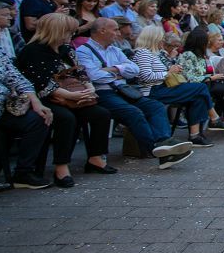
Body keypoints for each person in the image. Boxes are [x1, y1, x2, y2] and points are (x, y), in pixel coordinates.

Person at [75, 18, 193, 169]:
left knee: (154, 106)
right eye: (115, 29)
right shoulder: (83, 51)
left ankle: (165, 142)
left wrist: (114, 70)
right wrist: (120, 71)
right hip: (103, 92)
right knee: (134, 112)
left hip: (124, 91)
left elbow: (134, 70)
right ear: (102, 30)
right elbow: (93, 75)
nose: (118, 33)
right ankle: (158, 149)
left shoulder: (115, 50)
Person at [16, 14, 116, 186]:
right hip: (43, 98)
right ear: (57, 31)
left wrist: (89, 88)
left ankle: (95, 158)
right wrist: (70, 95)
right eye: (69, 31)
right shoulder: (33, 51)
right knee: (66, 118)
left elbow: (80, 72)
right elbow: (40, 84)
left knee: (101, 114)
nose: (72, 34)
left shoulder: (66, 49)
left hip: (71, 95)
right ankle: (61, 166)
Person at [0, 8, 55, 189]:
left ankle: (23, 172)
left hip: (0, 110)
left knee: (39, 118)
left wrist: (36, 103)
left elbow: (18, 79)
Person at [133, 27, 215, 148]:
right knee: (200, 88)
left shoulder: (152, 54)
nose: (162, 42)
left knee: (198, 96)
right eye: (160, 39)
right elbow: (146, 76)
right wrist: (168, 72)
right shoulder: (143, 53)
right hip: (153, 90)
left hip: (161, 87)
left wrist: (170, 66)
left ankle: (195, 135)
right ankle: (214, 117)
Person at [178, 29, 224, 133]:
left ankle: (222, 111)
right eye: (206, 40)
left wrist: (213, 77)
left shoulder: (200, 56)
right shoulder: (188, 55)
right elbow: (189, 78)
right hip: (195, 86)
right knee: (204, 89)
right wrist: (211, 78)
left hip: (207, 82)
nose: (208, 43)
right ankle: (215, 118)